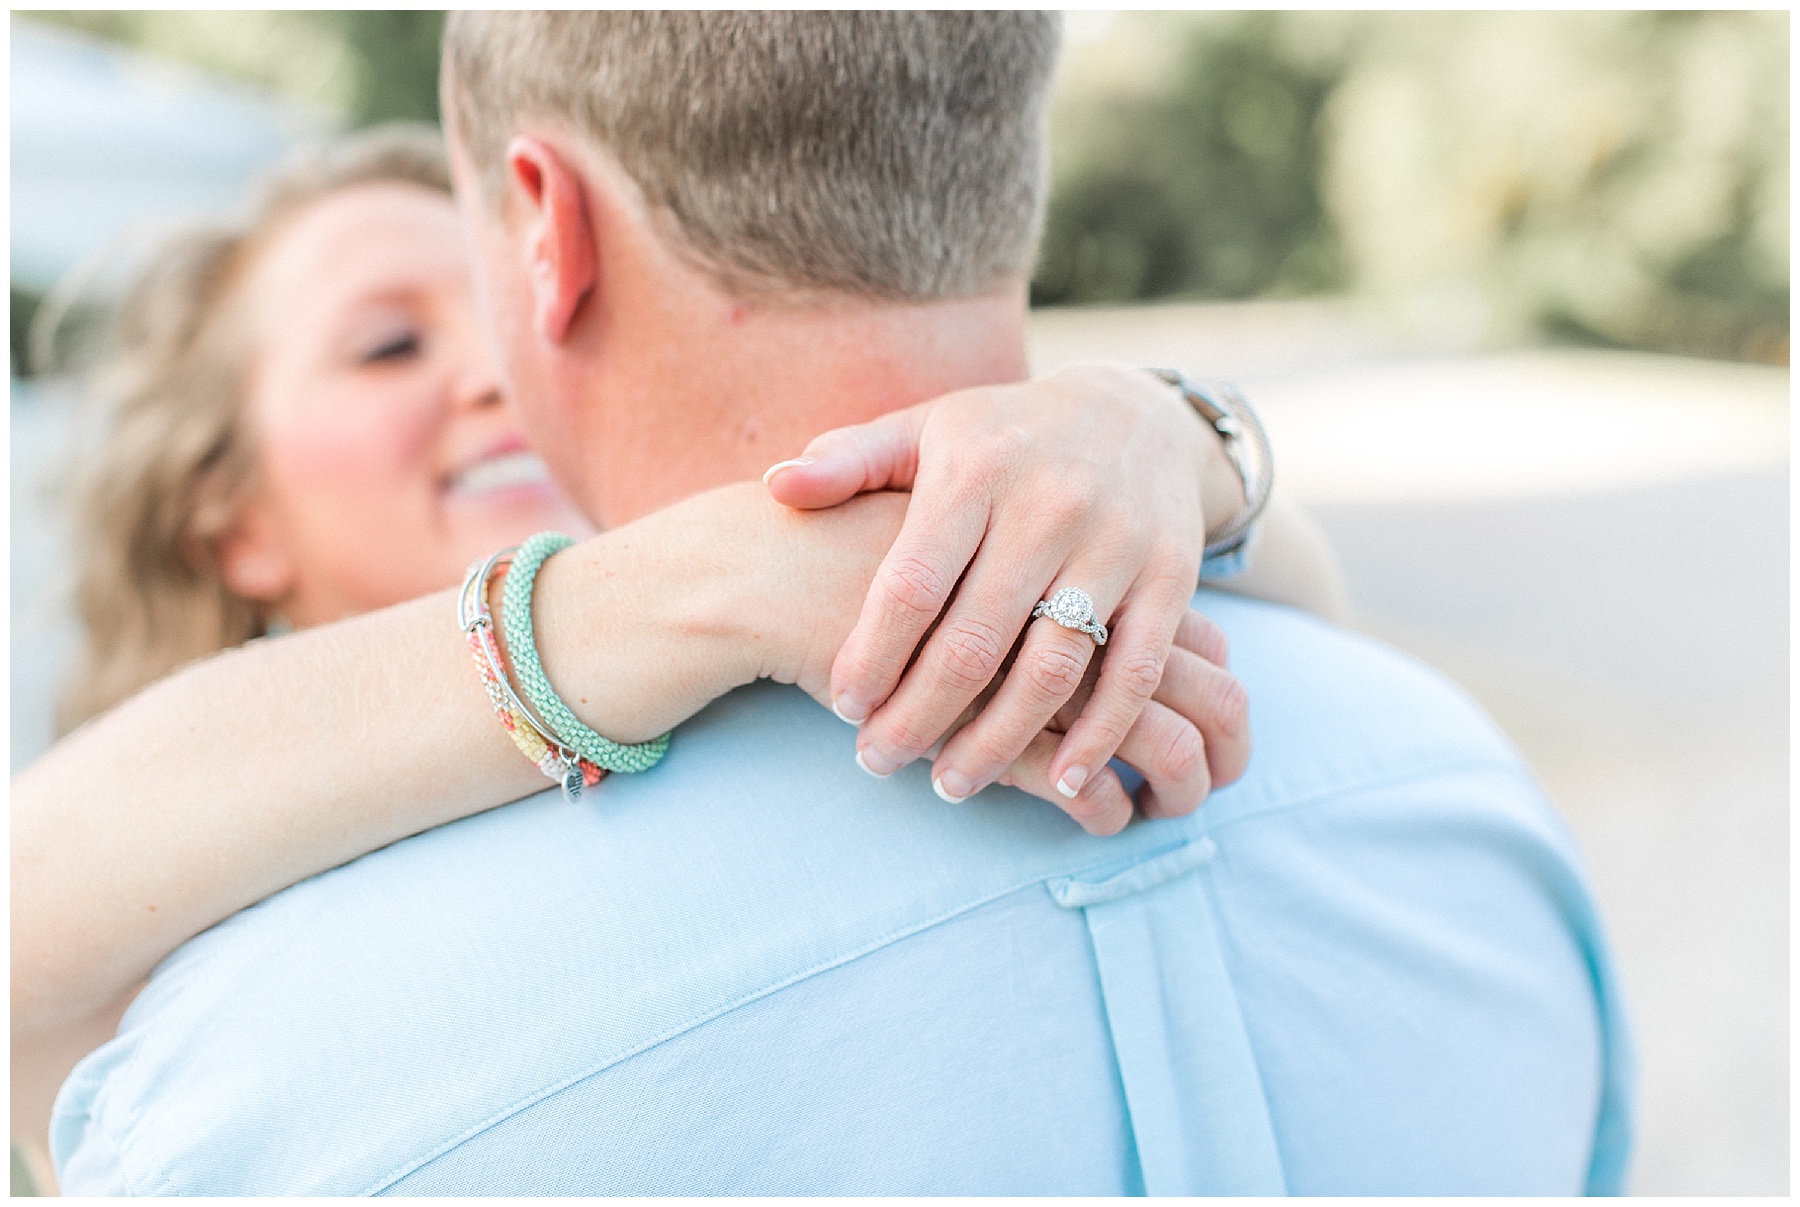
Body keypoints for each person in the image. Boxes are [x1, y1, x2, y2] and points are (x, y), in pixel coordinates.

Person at [44, 12, 1633, 1195]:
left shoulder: (275, 1074)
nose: (475, 379)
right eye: (384, 346)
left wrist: (1174, 437)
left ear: (546, 230)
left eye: (463, 299)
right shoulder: (1458, 796)